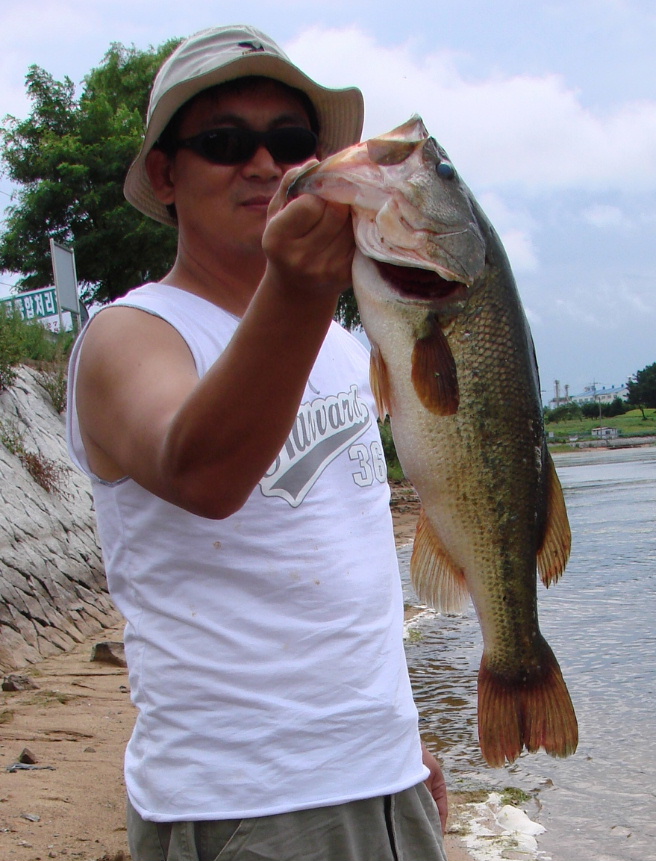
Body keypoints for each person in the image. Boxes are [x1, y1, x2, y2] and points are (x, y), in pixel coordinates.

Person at [66, 24, 448, 861]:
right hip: (244, 804)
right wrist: (302, 287)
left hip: (381, 784)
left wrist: (398, 744)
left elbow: (347, 568)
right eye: (224, 142)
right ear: (165, 174)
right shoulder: (130, 335)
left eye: (290, 141)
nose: (264, 165)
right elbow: (202, 471)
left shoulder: (350, 347)